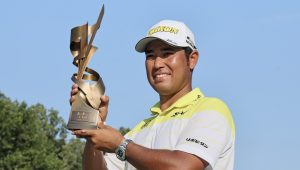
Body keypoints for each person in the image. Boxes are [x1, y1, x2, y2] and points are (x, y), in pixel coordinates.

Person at [72, 20, 235, 170]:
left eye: (167, 53)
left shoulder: (210, 110)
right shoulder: (138, 131)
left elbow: (183, 167)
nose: (157, 64)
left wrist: (121, 146)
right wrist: (93, 128)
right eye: (150, 56)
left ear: (192, 59)